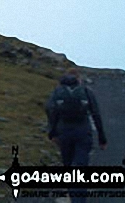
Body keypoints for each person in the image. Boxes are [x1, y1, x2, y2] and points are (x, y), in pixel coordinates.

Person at [46, 68, 107, 203]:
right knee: (81, 167)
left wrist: (52, 133)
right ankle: (79, 199)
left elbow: (51, 111)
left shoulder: (57, 92)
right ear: (78, 79)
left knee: (68, 166)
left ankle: (73, 197)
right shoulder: (85, 91)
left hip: (64, 133)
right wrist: (102, 138)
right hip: (83, 133)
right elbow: (96, 114)